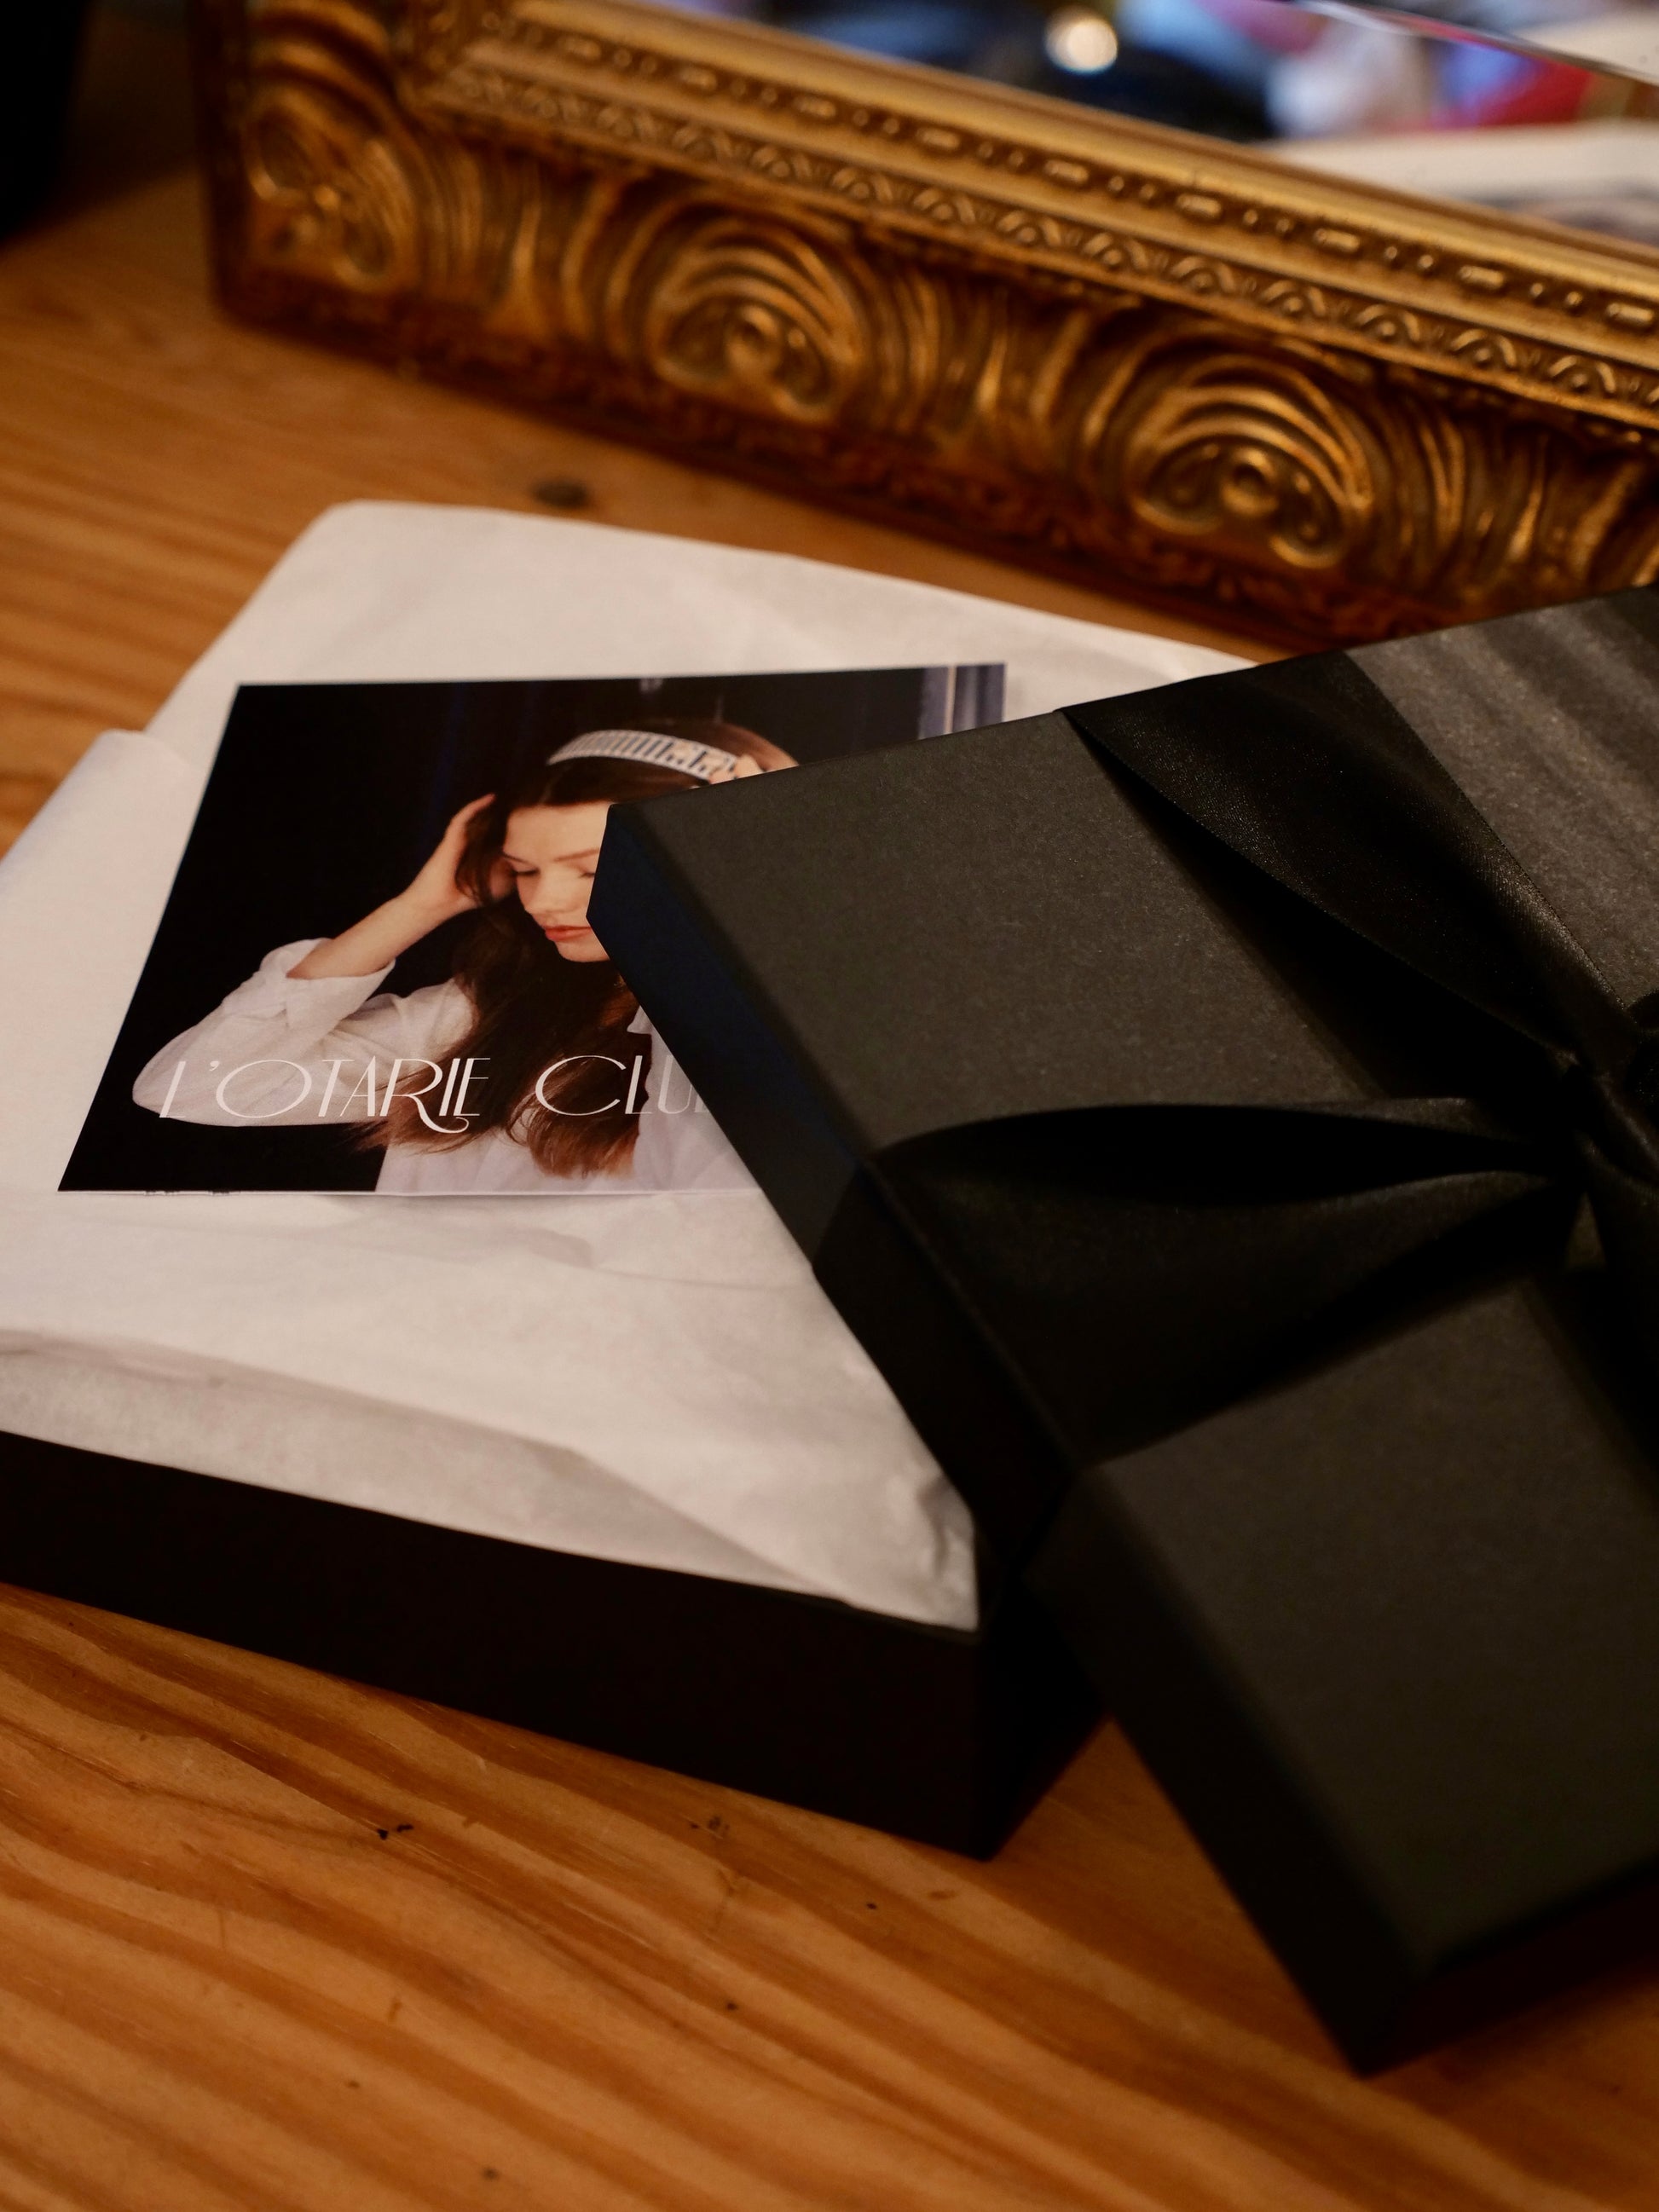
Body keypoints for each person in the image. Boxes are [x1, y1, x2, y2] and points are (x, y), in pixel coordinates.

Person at [131, 719, 794, 1193]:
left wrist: (735, 919)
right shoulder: (482, 1015)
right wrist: (421, 906)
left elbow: (704, 1208)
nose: (542, 902)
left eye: (592, 868)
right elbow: (188, 1086)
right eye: (524, 870)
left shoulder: (787, 1029)